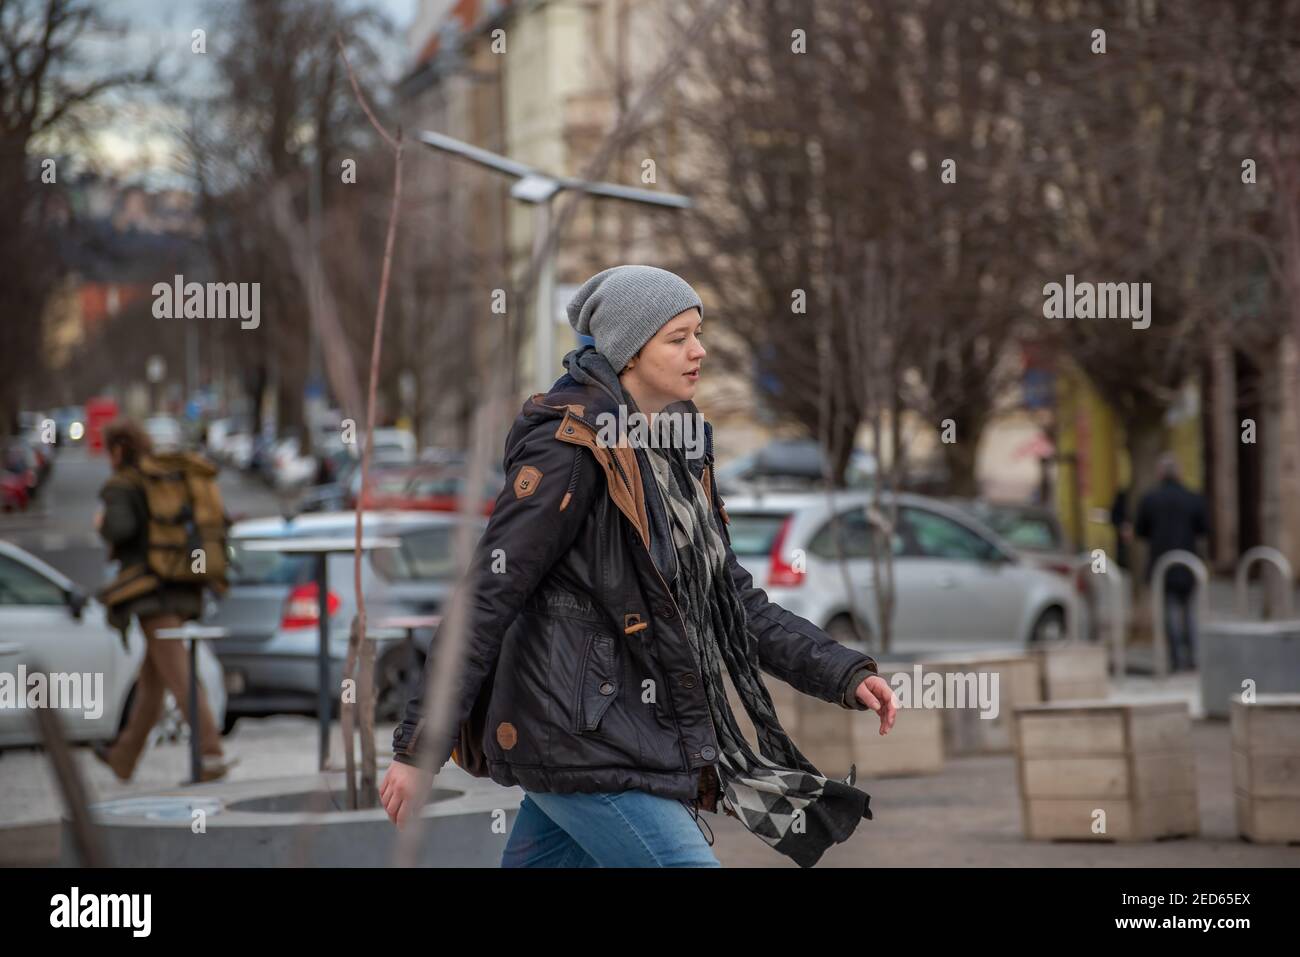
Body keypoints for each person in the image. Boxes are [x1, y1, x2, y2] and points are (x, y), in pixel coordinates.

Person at [380, 264, 897, 868]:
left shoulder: (676, 451)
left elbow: (732, 604)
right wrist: (419, 747)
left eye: (697, 333)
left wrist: (840, 671)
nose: (698, 351)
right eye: (677, 338)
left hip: (615, 735)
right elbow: (489, 594)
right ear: (628, 351)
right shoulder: (570, 447)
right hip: (582, 739)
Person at [91, 419, 233, 782]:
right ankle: (124, 756)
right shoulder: (169, 477)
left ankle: (211, 755)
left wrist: (102, 523)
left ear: (119, 450)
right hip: (184, 587)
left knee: (179, 676)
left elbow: (120, 529)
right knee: (153, 679)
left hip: (151, 594)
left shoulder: (124, 484)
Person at [1134, 453, 1209, 672]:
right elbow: (1204, 529)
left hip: (1162, 563)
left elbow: (1140, 530)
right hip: (1189, 562)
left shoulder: (1150, 499)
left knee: (1170, 612)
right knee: (1190, 612)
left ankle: (1176, 658)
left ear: (1160, 474)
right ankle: (1193, 657)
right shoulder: (1193, 497)